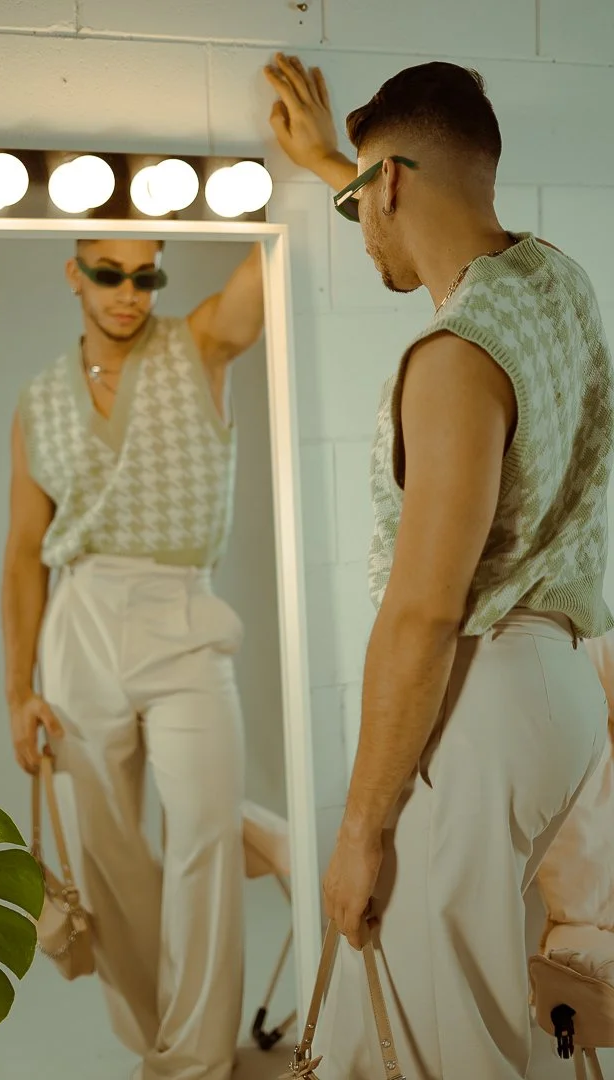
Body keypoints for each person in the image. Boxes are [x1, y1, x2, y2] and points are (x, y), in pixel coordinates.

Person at [265, 53, 614, 1079]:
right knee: (492, 1009)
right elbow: (422, 210)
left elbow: (421, 613)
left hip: (483, 694)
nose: (358, 217)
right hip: (559, 695)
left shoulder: (454, 359)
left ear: (395, 186)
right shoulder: (554, 279)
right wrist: (339, 160)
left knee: (439, 1039)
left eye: (361, 198)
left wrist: (360, 830)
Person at [1, 236, 264, 1080]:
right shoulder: (38, 400)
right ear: (72, 272)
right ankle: (166, 1043)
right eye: (107, 272)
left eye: (145, 273)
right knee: (108, 863)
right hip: (78, 621)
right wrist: (19, 689)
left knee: (204, 837)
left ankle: (195, 1065)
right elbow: (22, 553)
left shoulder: (199, 346)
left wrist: (315, 169)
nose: (128, 292)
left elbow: (267, 270)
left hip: (182, 607)